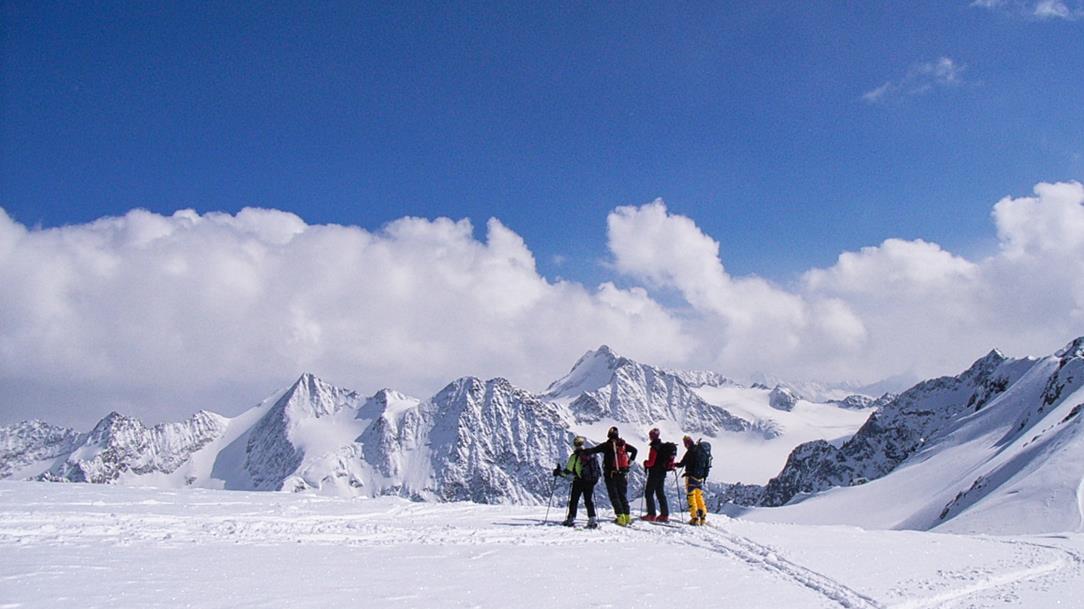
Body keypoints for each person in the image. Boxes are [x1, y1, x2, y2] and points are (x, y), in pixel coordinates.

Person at [582, 426, 638, 526]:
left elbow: (593, 450)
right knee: (622, 495)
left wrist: (582, 451)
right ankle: (627, 517)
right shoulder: (623, 444)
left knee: (614, 496)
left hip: (610, 474)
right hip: (623, 473)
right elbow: (635, 450)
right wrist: (630, 462)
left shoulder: (606, 445)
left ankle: (620, 518)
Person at [553, 436, 599, 528]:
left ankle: (571, 518)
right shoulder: (590, 455)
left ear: (574, 445)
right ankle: (592, 519)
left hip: (578, 481)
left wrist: (558, 472)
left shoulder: (574, 457)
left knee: (574, 500)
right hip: (590, 481)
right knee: (588, 500)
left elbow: (568, 471)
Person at [641, 428, 674, 522]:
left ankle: (651, 514)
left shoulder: (654, 447)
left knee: (649, 493)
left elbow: (651, 463)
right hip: (662, 473)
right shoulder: (663, 447)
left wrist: (645, 463)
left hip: (654, 473)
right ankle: (664, 514)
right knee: (660, 493)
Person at [676, 435, 708, 526]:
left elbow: (682, 464)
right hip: (700, 478)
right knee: (699, 497)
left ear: (687, 444)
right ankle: (703, 517)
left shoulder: (689, 452)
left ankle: (694, 518)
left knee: (691, 497)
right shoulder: (701, 451)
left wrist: (674, 464)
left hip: (691, 478)